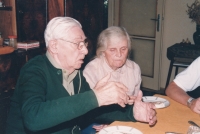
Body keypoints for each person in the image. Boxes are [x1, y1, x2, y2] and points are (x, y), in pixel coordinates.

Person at [6, 17, 156, 134]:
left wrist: (132, 113)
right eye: (78, 44)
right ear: (54, 46)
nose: (85, 50)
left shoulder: (76, 75)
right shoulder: (34, 70)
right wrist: (96, 97)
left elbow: (93, 109)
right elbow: (33, 117)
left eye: (84, 44)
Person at [83, 26, 141, 102]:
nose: (119, 54)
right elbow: (89, 104)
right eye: (113, 50)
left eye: (123, 49)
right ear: (103, 52)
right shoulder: (91, 70)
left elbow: (136, 100)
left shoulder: (134, 69)